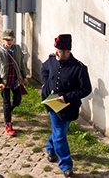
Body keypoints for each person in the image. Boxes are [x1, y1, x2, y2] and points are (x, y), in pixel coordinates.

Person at [40, 34, 92, 178]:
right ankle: (66, 165)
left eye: (60, 51)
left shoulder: (79, 68)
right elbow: (44, 69)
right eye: (56, 49)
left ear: (67, 52)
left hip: (69, 107)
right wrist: (44, 83)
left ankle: (50, 148)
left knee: (60, 131)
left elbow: (86, 89)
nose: (56, 52)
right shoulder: (51, 60)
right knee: (60, 135)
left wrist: (67, 98)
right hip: (52, 104)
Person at [0, 29, 29, 137]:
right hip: (5, 82)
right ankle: (8, 123)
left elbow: (22, 63)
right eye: (7, 40)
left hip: (16, 81)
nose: (9, 42)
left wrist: (24, 76)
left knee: (17, 100)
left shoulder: (17, 49)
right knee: (6, 102)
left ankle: (8, 111)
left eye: (11, 40)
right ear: (3, 40)